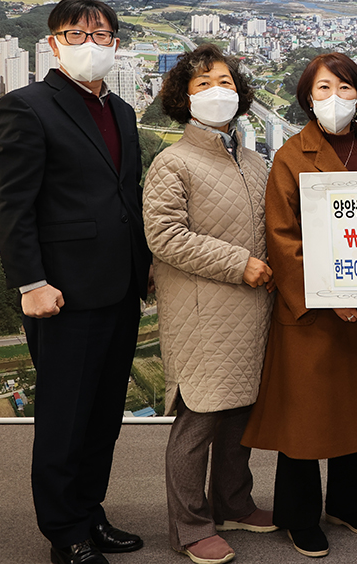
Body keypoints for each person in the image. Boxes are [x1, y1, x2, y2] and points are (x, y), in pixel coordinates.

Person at [0, 0, 153, 564]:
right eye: (77, 34)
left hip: (120, 286)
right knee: (65, 416)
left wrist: (145, 264)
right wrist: (30, 281)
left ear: (114, 43)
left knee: (104, 415)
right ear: (53, 42)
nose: (91, 44)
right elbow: (12, 205)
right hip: (62, 291)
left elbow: (124, 196)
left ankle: (90, 511)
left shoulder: (123, 111)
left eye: (101, 34)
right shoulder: (27, 107)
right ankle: (65, 532)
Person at [241, 52, 357, 559]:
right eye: (324, 89)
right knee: (306, 418)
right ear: (308, 99)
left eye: (346, 89)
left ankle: (348, 504)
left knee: (354, 410)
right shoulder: (290, 156)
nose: (336, 99)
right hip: (312, 311)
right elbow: (283, 240)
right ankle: (299, 514)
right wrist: (332, 299)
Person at [142, 44, 277, 564]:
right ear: (184, 99)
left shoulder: (252, 158)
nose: (217, 91)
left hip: (252, 309)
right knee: (197, 420)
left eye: (225, 81)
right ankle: (190, 525)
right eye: (202, 85)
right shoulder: (172, 162)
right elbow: (165, 236)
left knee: (240, 414)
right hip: (202, 311)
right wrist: (238, 262)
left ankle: (233, 502)